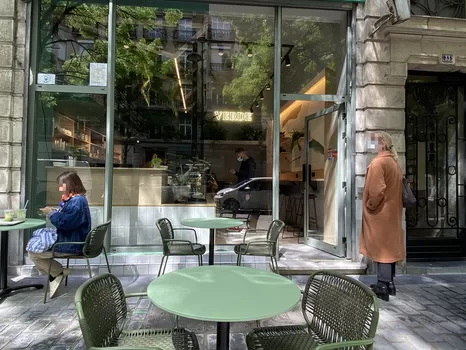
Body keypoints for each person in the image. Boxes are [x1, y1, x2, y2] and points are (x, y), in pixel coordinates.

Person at [28, 171, 91, 299]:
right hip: (72, 239)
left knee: (33, 252)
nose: (59, 189)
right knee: (36, 242)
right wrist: (55, 211)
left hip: (71, 244)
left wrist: (51, 213)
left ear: (69, 185)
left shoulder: (76, 201)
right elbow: (68, 219)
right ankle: (57, 273)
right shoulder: (77, 199)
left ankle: (57, 272)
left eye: (61, 186)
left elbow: (65, 223)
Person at [360, 131, 404, 302]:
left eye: (374, 141)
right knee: (389, 246)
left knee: (382, 249)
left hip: (380, 213)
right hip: (392, 212)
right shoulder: (393, 162)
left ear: (383, 143)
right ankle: (389, 283)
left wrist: (370, 206)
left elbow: (377, 190)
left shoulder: (378, 163)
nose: (371, 144)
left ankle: (383, 285)